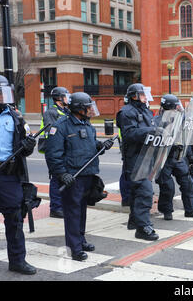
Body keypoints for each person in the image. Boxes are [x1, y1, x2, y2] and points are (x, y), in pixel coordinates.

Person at [45, 92, 113, 261]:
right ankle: (74, 248)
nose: (91, 110)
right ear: (78, 109)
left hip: (87, 175)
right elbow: (53, 154)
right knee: (73, 213)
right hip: (72, 177)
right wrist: (61, 174)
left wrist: (101, 146)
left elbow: (89, 146)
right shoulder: (61, 126)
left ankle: (81, 240)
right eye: (88, 107)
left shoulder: (87, 124)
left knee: (81, 211)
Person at [0, 74, 37, 274]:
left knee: (15, 218)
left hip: (9, 175)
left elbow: (25, 148)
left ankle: (17, 261)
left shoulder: (16, 116)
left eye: (4, 93)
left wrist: (28, 145)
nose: (1, 97)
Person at [116, 83, 159, 240]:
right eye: (142, 94)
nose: (145, 97)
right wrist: (151, 131)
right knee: (145, 192)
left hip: (147, 155)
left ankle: (134, 221)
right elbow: (129, 134)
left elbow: (152, 128)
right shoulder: (126, 112)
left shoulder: (146, 110)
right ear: (134, 95)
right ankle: (142, 228)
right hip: (134, 158)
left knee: (136, 192)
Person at [155, 94, 193, 220]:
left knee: (188, 184)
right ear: (170, 107)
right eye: (177, 106)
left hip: (178, 156)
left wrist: (190, 155)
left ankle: (190, 210)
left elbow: (185, 138)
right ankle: (166, 211)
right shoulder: (157, 121)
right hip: (164, 158)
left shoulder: (180, 120)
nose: (179, 108)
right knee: (167, 187)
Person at [38, 87, 71, 219]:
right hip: (54, 150)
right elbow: (53, 134)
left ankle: (63, 205)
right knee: (57, 177)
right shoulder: (51, 113)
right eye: (66, 96)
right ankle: (56, 208)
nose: (68, 98)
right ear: (59, 98)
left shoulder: (66, 111)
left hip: (65, 150)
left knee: (65, 177)